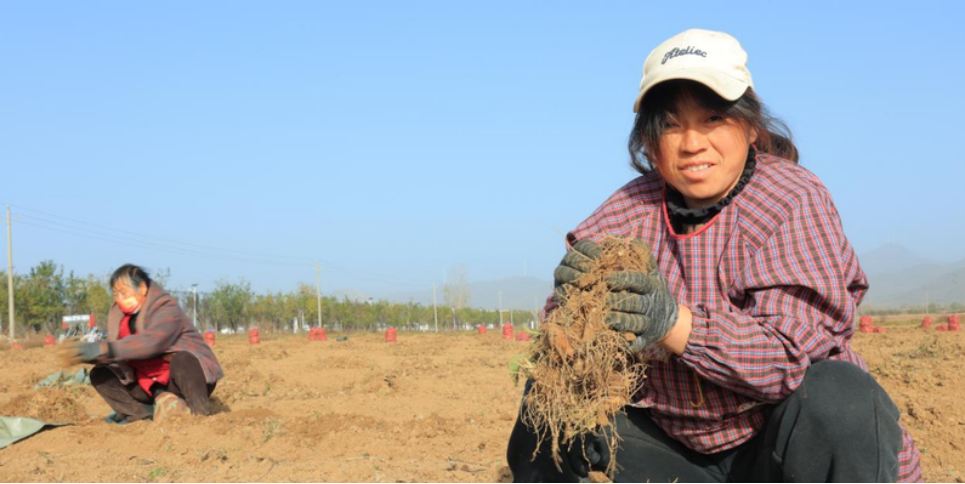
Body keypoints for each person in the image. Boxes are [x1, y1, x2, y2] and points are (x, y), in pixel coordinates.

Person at [507, 29, 923, 483]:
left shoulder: (790, 199)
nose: (691, 143)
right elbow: (567, 340)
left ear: (749, 126)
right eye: (669, 125)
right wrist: (570, 301)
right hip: (676, 449)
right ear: (648, 142)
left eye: (711, 119)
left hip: (778, 447)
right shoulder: (624, 214)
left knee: (838, 397)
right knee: (548, 411)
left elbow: (786, 358)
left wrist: (670, 322)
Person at [67, 264, 223, 424]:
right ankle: (140, 418)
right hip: (146, 384)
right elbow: (115, 348)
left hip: (180, 382)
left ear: (142, 288)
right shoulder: (120, 318)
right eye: (115, 295)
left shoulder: (167, 309)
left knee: (184, 359)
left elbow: (151, 342)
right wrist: (89, 354)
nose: (119, 299)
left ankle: (201, 415)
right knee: (100, 374)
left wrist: (106, 349)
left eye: (123, 293)